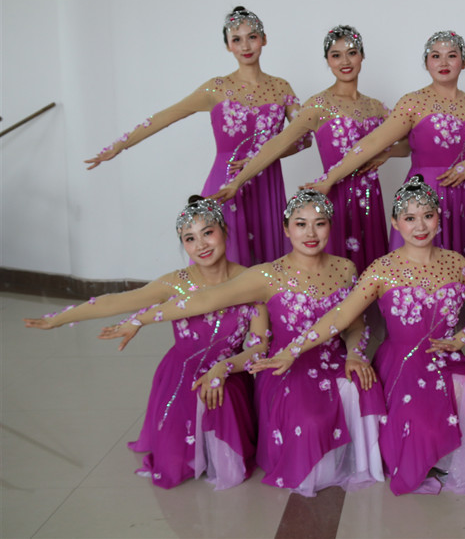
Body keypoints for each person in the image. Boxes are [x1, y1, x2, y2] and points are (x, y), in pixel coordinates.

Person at [100, 190, 385, 497]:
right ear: (286, 229)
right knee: (309, 420)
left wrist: (354, 354)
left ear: (331, 226)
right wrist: (140, 319)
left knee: (368, 387)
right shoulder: (267, 274)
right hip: (284, 365)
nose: (311, 233)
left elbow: (355, 325)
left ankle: (358, 460)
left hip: (333, 358)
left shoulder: (346, 269)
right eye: (301, 224)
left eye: (320, 223)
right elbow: (205, 300)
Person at [253, 176, 465, 495]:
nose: (420, 226)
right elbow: (341, 316)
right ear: (395, 223)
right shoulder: (382, 269)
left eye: (427, 216)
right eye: (409, 218)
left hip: (448, 353)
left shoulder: (458, 263)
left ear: (439, 217)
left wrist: (461, 338)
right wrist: (294, 349)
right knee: (419, 421)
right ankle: (420, 459)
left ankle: (452, 461)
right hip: (403, 359)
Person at [26, 197, 265, 490]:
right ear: (183, 244)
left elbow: (259, 347)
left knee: (225, 427)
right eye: (190, 238)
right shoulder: (176, 282)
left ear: (225, 230)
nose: (201, 244)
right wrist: (59, 319)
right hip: (181, 375)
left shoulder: (251, 281)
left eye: (208, 232)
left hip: (229, 373)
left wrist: (223, 369)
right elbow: (116, 301)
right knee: (172, 459)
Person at [85, 7, 305, 265]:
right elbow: (166, 116)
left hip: (267, 186)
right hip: (226, 184)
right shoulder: (216, 88)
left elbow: (303, 139)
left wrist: (263, 158)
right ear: (228, 46)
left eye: (252, 37)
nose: (245, 46)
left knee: (267, 267)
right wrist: (120, 145)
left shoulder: (281, 87)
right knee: (224, 262)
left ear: (264, 39)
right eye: (236, 39)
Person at [309, 30, 465, 287]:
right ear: (426, 63)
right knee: (419, 274)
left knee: (463, 272)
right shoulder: (413, 102)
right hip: (423, 193)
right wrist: (330, 178)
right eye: (435, 56)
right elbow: (372, 142)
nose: (443, 62)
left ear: (463, 62)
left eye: (451, 56)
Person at [209, 25, 397, 271]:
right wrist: (238, 181)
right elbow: (280, 141)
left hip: (371, 199)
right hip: (333, 194)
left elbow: (407, 142)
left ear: (362, 56)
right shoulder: (318, 105)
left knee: (372, 272)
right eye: (336, 55)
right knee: (333, 273)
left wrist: (387, 152)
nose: (345, 61)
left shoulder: (376, 107)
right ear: (327, 60)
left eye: (351, 53)